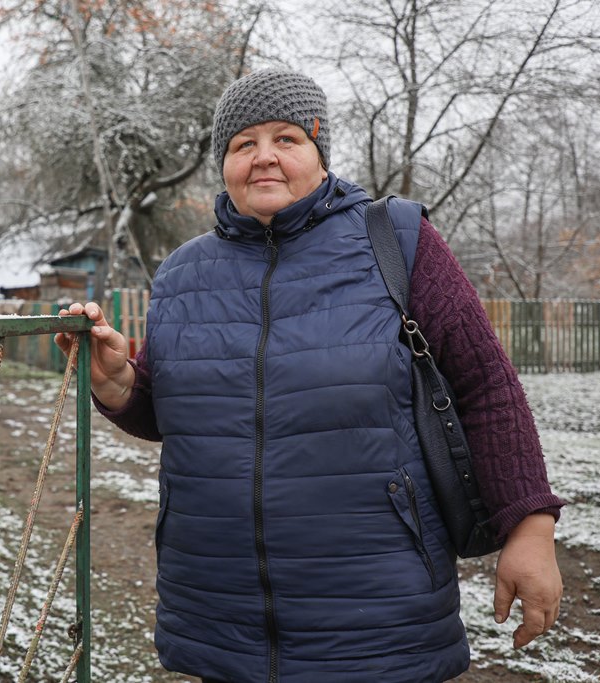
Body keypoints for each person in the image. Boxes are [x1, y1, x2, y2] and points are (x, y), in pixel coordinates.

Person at [55, 68, 564, 682]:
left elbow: (487, 386)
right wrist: (118, 385)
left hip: (377, 612)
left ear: (320, 151)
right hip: (219, 610)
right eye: (244, 144)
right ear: (224, 163)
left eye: (287, 138)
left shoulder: (397, 242)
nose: (264, 157)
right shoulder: (181, 275)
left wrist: (530, 528)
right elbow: (180, 415)